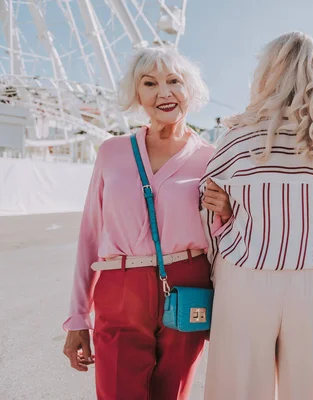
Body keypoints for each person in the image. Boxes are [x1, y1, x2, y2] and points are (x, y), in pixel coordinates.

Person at [199, 32, 313, 400]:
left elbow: (208, 208)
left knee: (239, 385)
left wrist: (222, 261)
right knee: (312, 386)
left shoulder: (237, 138)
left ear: (266, 75)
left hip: (243, 273)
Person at [62, 47, 231, 400]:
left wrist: (227, 213)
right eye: (150, 83)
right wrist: (79, 316)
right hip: (120, 287)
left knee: (173, 394)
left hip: (189, 285)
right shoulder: (112, 151)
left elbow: (223, 241)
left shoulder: (212, 158)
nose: (163, 92)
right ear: (137, 94)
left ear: (191, 90)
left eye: (174, 81)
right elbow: (91, 235)